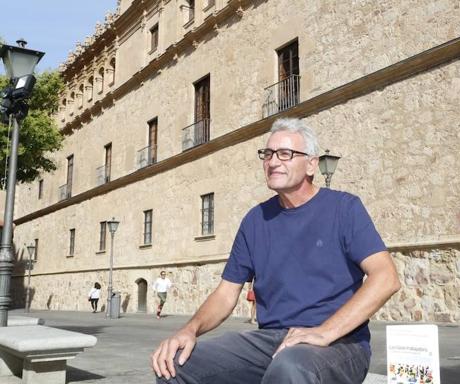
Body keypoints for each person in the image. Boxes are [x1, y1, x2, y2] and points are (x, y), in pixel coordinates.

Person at [151, 118, 400, 383]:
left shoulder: (344, 209)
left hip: (340, 342)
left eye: (285, 154)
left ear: (312, 164)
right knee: (176, 364)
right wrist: (189, 330)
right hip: (271, 340)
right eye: (268, 154)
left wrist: (325, 332)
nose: (272, 161)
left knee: (291, 367)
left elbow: (386, 278)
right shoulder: (255, 220)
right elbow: (226, 293)